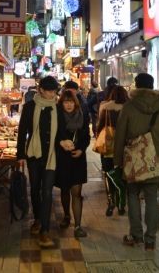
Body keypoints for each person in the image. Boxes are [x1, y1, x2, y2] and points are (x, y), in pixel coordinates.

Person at [114, 73, 159, 250]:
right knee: (152, 197)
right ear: (152, 85)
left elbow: (120, 135)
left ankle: (136, 234)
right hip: (156, 160)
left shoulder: (129, 107)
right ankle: (151, 238)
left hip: (133, 160)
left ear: (136, 86)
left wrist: (118, 161)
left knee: (132, 196)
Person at [17, 75, 59, 248]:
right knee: (35, 189)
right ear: (40, 90)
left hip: (51, 155)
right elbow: (22, 132)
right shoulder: (29, 107)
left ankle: (45, 231)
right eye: (49, 91)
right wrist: (20, 155)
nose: (52, 94)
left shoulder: (58, 107)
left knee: (47, 191)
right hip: (34, 155)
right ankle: (38, 219)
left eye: (54, 91)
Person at [55, 90, 90, 238]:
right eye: (65, 102)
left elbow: (86, 136)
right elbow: (54, 135)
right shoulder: (56, 116)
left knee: (76, 192)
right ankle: (66, 216)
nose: (68, 105)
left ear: (75, 103)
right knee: (64, 190)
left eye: (71, 102)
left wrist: (81, 149)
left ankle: (77, 225)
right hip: (62, 158)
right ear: (61, 103)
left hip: (78, 159)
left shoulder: (82, 115)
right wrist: (60, 142)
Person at [97, 85, 129, 216]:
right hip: (124, 147)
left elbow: (99, 127)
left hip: (108, 146)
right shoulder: (129, 108)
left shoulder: (105, 107)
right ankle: (122, 204)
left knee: (108, 172)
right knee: (122, 174)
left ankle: (111, 201)